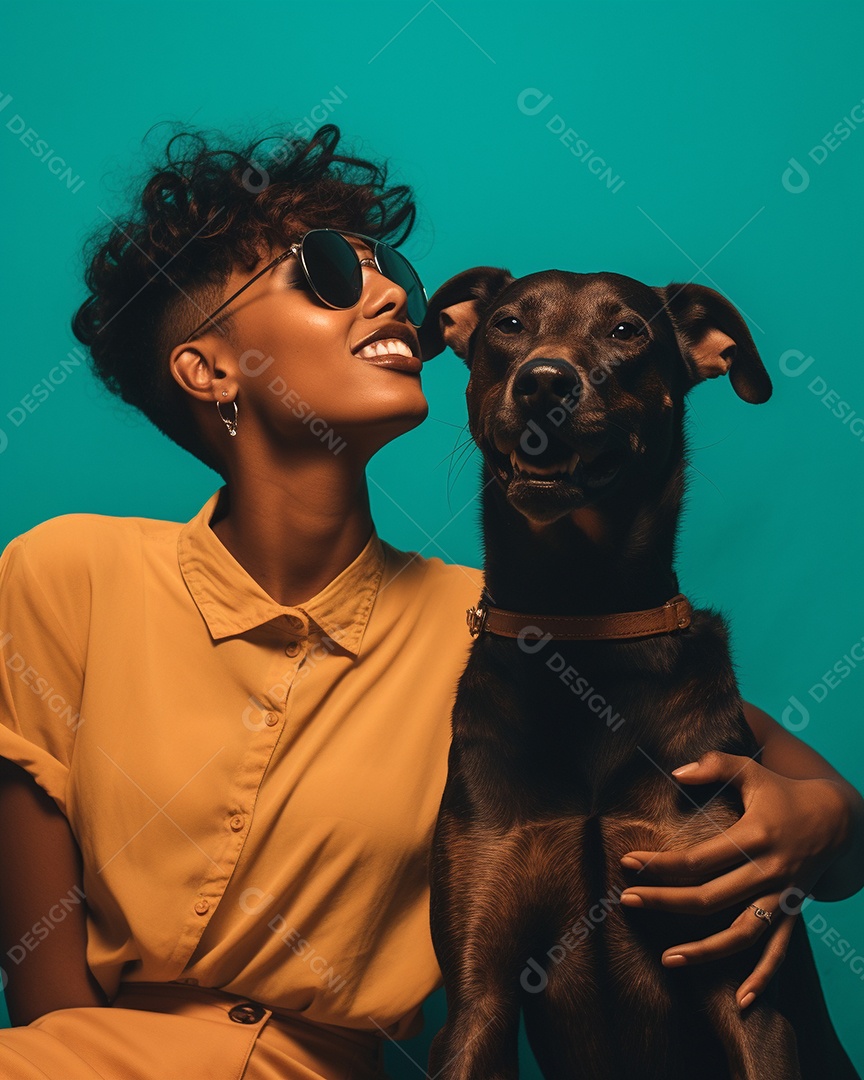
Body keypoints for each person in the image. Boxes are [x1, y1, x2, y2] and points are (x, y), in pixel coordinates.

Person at [0, 122, 861, 1080]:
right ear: (208, 368)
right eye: (324, 272)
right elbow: (42, 988)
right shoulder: (63, 573)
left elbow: (783, 785)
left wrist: (824, 823)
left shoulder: (498, 636)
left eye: (390, 273)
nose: (386, 295)